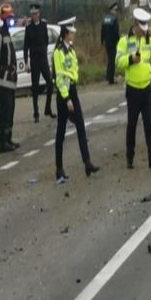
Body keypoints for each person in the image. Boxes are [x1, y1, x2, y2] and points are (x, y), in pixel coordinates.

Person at [53, 18, 100, 183]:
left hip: (72, 90)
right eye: (72, 32)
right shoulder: (58, 52)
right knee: (61, 132)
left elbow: (74, 71)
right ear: (66, 33)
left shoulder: (71, 51)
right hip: (63, 95)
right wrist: (66, 99)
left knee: (81, 126)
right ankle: (59, 168)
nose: (74, 35)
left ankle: (87, 162)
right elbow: (59, 78)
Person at [118, 8, 151, 168]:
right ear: (135, 25)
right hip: (132, 90)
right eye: (141, 29)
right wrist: (131, 59)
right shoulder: (125, 41)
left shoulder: (148, 38)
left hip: (146, 89)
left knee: (149, 125)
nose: (143, 31)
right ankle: (129, 158)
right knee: (132, 125)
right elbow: (118, 61)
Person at [0, 3, 20, 153]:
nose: (11, 21)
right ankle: (3, 142)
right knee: (4, 112)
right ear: (3, 19)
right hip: (2, 81)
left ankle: (8, 139)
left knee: (10, 111)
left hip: (10, 81)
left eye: (11, 18)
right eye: (8, 18)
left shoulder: (7, 34)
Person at [23, 4, 55, 123]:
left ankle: (48, 108)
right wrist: (26, 62)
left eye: (36, 14)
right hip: (34, 60)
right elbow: (26, 46)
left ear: (39, 14)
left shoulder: (43, 25)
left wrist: (44, 50)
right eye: (32, 14)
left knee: (50, 83)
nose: (34, 16)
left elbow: (46, 40)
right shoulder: (29, 28)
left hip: (43, 59)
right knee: (35, 87)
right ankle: (36, 113)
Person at [101, 2, 121, 84]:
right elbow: (116, 32)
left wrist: (102, 40)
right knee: (112, 60)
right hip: (113, 42)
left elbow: (102, 31)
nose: (116, 12)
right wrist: (119, 40)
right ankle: (111, 79)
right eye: (115, 10)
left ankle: (108, 75)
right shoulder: (114, 19)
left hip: (107, 42)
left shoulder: (105, 19)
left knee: (109, 59)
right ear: (111, 10)